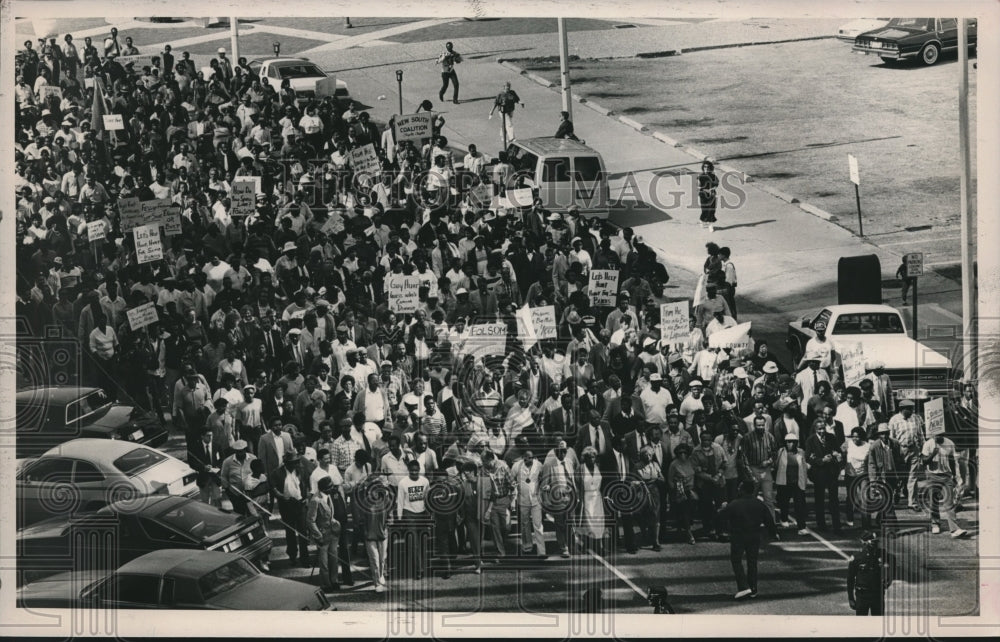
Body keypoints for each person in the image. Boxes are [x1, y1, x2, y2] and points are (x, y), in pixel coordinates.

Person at [717, 481, 779, 600]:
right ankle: (753, 588)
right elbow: (769, 520)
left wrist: (722, 510)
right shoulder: (759, 504)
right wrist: (773, 533)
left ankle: (743, 586)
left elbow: (721, 518)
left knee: (736, 560)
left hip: (738, 536)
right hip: (754, 535)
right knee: (752, 562)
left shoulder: (734, 504)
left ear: (742, 490)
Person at [921, 431, 969, 538]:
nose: (938, 438)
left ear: (944, 434)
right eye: (936, 436)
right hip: (933, 475)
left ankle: (954, 529)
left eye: (940, 435)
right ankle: (935, 523)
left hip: (946, 476)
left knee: (949, 503)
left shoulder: (949, 443)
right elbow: (923, 462)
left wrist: (955, 476)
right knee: (934, 501)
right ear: (933, 435)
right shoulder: (928, 444)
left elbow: (952, 461)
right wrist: (933, 454)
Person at [270, 451, 311, 568]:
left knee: (303, 532)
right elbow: (272, 487)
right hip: (287, 505)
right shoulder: (277, 472)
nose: (294, 465)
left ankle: (305, 558)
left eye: (295, 462)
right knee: (290, 532)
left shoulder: (301, 471)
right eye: (291, 463)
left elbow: (307, 485)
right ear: (286, 463)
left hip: (300, 504)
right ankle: (292, 556)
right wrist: (280, 496)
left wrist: (307, 497)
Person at [307, 476, 343, 593]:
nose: (333, 488)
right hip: (322, 536)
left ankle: (334, 581)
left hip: (333, 534)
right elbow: (310, 521)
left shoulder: (329, 496)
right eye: (330, 487)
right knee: (324, 562)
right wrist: (318, 536)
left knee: (334, 559)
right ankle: (326, 584)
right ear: (325, 488)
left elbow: (330, 514)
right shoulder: (315, 500)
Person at [847, 532, 897, 615]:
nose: (875, 545)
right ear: (864, 542)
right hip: (862, 595)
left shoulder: (881, 554)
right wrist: (851, 598)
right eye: (872, 542)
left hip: (877, 594)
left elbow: (893, 559)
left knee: (878, 623)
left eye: (876, 542)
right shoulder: (857, 557)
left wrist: (890, 578)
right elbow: (850, 579)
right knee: (862, 624)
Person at [396, 459, 430, 579]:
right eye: (412, 471)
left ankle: (422, 566)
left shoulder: (425, 481)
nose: (414, 473)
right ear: (408, 471)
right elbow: (399, 501)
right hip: (409, 513)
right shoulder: (403, 483)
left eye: (416, 471)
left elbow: (428, 498)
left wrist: (429, 514)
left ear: (419, 470)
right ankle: (418, 570)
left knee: (423, 542)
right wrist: (399, 519)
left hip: (422, 513)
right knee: (413, 543)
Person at [510, 448, 546, 557]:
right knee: (525, 524)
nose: (528, 460)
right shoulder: (516, 466)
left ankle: (542, 551)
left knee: (538, 526)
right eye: (526, 458)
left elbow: (544, 477)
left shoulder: (539, 465)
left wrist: (543, 486)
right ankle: (527, 546)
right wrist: (513, 486)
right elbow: (511, 479)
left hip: (536, 500)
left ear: (533, 457)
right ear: (523, 458)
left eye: (530, 458)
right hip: (523, 500)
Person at [773, 432, 808, 534]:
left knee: (799, 505)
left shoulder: (801, 452)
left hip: (797, 482)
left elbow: (804, 467)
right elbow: (776, 465)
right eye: (788, 442)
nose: (790, 444)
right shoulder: (781, 452)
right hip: (784, 482)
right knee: (784, 503)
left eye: (793, 442)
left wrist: (805, 481)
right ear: (785, 442)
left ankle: (802, 527)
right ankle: (783, 519)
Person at [489, 81, 524, 145]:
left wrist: (520, 103)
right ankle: (512, 138)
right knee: (509, 124)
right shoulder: (500, 94)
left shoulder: (512, 92)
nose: (508, 88)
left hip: (510, 110)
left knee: (505, 124)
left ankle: (503, 137)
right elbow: (495, 103)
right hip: (503, 112)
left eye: (509, 87)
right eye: (507, 87)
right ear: (504, 87)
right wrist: (491, 112)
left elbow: (516, 99)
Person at [698, 160, 719, 232]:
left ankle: (710, 225)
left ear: (710, 168)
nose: (706, 168)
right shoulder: (700, 176)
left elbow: (716, 185)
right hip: (703, 195)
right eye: (704, 167)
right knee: (705, 210)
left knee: (711, 210)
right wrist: (701, 188)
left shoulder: (713, 176)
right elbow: (697, 186)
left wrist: (711, 189)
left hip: (711, 194)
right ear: (703, 168)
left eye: (707, 167)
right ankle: (702, 220)